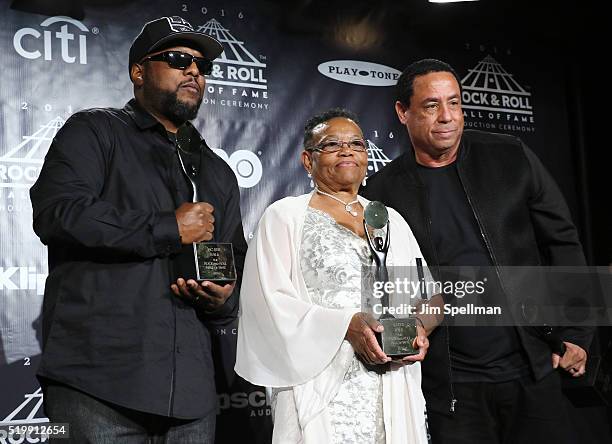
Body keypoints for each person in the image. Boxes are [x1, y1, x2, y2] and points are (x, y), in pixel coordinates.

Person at [29, 16, 246, 443]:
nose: (194, 72)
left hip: (193, 396)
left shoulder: (218, 171)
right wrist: (168, 226)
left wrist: (223, 297)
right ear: (138, 71)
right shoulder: (95, 130)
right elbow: (57, 212)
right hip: (99, 386)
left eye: (203, 66)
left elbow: (233, 260)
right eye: (178, 59)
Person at [362, 58, 593, 444]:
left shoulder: (510, 156)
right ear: (403, 112)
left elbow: (563, 242)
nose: (447, 117)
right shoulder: (384, 192)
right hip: (450, 385)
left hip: (534, 368)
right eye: (432, 105)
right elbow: (385, 285)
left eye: (454, 103)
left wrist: (576, 333)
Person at [235, 108, 435, 444]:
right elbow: (267, 303)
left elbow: (430, 296)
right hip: (319, 384)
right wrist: (345, 325)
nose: (347, 150)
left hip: (392, 382)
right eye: (331, 145)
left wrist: (419, 327)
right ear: (307, 161)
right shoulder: (283, 217)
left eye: (356, 143)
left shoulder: (390, 219)